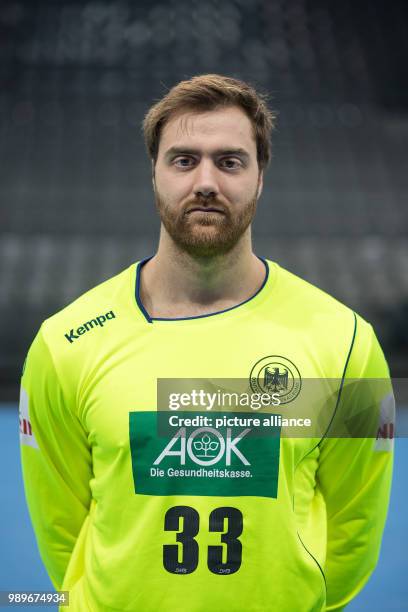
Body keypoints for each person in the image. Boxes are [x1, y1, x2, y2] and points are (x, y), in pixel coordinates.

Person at [19, 74, 394, 612]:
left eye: (230, 161)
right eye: (183, 160)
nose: (206, 181)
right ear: (154, 173)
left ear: (261, 176)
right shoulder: (66, 342)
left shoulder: (347, 342)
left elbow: (356, 523)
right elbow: (61, 528)